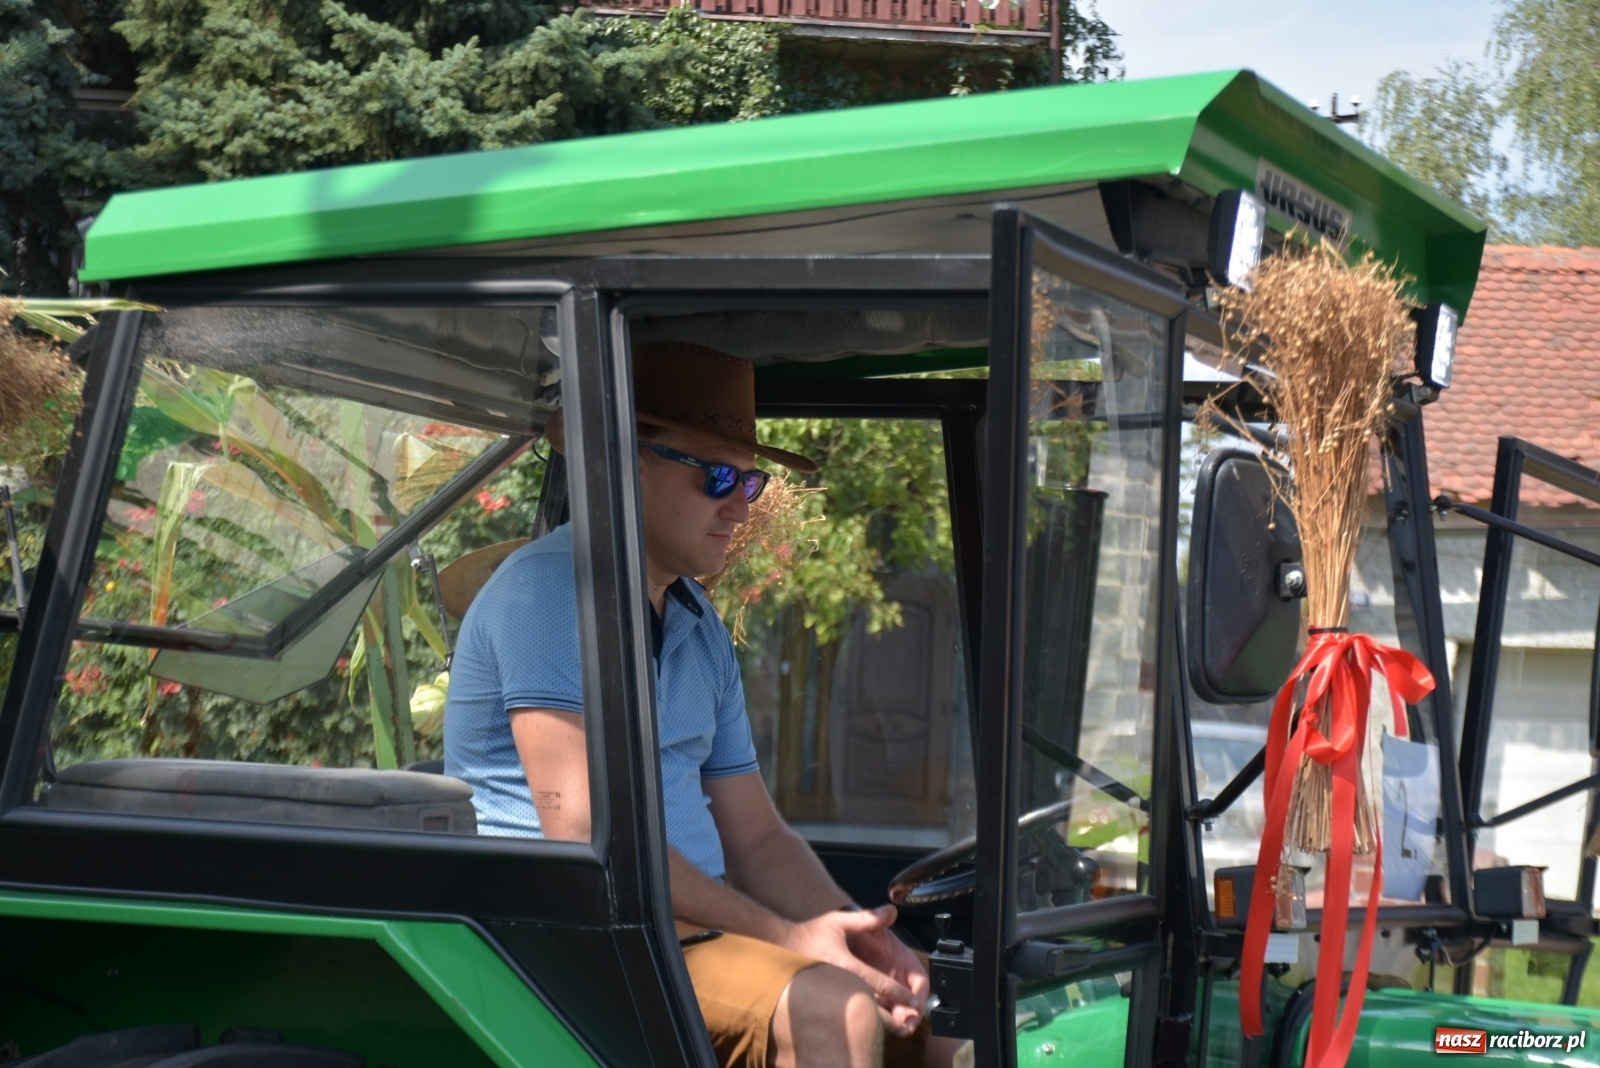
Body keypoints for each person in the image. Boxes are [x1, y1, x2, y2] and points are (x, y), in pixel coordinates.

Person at [445, 341, 962, 1068]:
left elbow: (757, 838)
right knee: (836, 1008)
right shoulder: (550, 594)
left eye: (749, 482)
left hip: (678, 926)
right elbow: (590, 836)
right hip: (570, 937)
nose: (740, 506)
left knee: (929, 1011)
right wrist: (791, 940)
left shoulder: (696, 624)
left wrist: (857, 933)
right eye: (718, 476)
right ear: (629, 463)